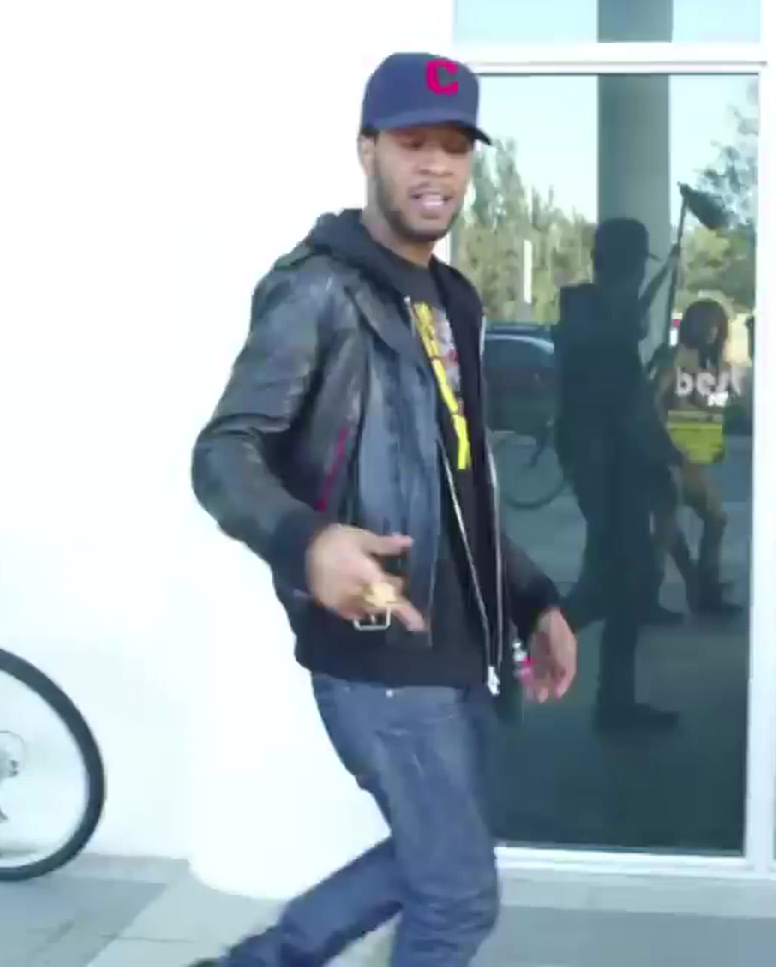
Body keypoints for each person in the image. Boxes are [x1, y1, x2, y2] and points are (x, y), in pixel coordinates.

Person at [189, 51, 578, 967]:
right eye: (412, 143)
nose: (436, 166)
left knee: (433, 854)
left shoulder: (452, 299)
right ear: (368, 150)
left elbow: (463, 487)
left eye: (455, 147)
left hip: (462, 649)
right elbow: (222, 453)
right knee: (457, 898)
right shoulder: (318, 288)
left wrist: (533, 599)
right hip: (381, 653)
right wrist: (307, 541)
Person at [554, 218, 686, 734]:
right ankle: (517, 652)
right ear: (625, 266)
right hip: (605, 467)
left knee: (621, 582)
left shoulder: (605, 315)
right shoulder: (588, 310)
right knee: (618, 583)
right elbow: (613, 384)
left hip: (620, 465)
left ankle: (614, 701)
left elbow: (625, 387)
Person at [650, 297, 739, 617]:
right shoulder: (676, 357)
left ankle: (699, 585)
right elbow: (655, 400)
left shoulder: (711, 363)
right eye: (707, 324)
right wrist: (662, 441)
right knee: (672, 524)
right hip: (672, 452)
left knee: (679, 523)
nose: (712, 332)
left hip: (696, 451)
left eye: (718, 326)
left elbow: (717, 405)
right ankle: (697, 587)